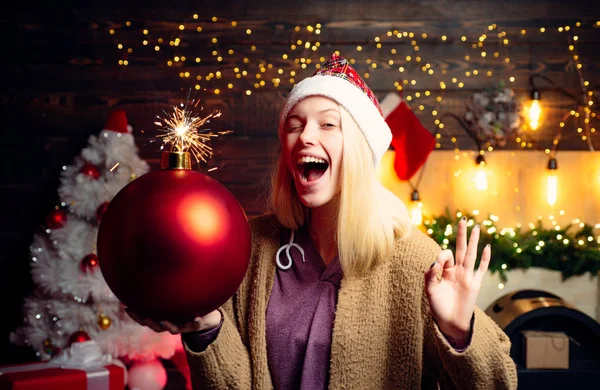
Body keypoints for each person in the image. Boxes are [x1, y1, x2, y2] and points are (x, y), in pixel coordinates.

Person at [126, 54, 518, 389]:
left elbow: (499, 382)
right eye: (294, 125)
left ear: (362, 151)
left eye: (327, 124)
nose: (304, 136)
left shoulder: (417, 261)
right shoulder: (253, 246)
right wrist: (207, 326)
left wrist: (460, 331)